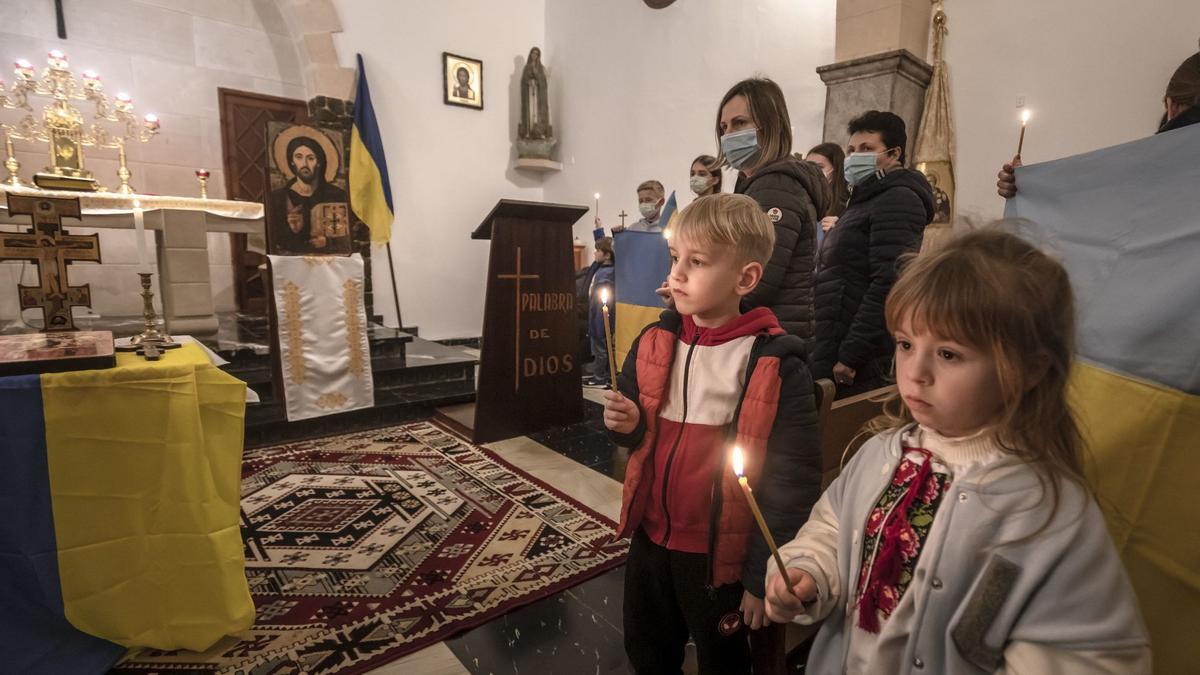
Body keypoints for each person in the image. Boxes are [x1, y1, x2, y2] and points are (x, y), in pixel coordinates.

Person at [764, 228, 1151, 674]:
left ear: (1027, 369)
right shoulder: (881, 455)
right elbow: (833, 529)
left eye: (948, 354)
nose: (915, 372)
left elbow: (1091, 654)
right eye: (907, 344)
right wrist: (809, 570)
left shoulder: (1046, 508)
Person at [604, 193, 820, 674]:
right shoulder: (654, 341)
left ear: (745, 278)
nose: (677, 273)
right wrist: (629, 425)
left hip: (717, 553)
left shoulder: (772, 364)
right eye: (675, 257)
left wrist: (762, 574)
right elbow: (637, 435)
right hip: (651, 536)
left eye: (696, 262)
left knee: (722, 659)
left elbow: (792, 483)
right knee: (647, 647)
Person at [811, 110, 933, 395]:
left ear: (894, 153)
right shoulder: (867, 198)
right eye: (851, 150)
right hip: (833, 335)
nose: (855, 157)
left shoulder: (899, 198)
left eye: (867, 149)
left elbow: (889, 282)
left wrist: (852, 354)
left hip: (854, 352)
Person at [718, 77, 830, 344]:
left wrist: (703, 299)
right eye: (724, 127)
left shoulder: (776, 187)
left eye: (740, 123)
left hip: (772, 337)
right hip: (765, 333)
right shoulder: (756, 185)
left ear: (769, 125)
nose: (728, 135)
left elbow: (760, 279)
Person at [998, 50, 1200, 198]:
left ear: (1171, 106)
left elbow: (1095, 205)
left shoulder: (1145, 169)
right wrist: (1028, 184)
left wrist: (1031, 187)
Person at [267, 133, 350, 255]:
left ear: (319, 162)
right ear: (292, 162)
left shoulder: (336, 195)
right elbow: (276, 242)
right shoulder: (278, 198)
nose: (304, 164)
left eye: (311, 158)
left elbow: (348, 238)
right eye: (299, 157)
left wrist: (328, 242)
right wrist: (294, 231)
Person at [805, 142, 851, 253]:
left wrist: (839, 231)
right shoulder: (802, 202)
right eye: (808, 167)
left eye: (819, 167)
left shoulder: (849, 206)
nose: (812, 172)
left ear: (836, 171)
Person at [584, 237, 615, 388]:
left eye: (597, 251)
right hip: (595, 314)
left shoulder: (607, 273)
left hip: (600, 316)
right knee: (597, 346)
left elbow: (602, 300)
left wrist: (597, 319)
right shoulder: (601, 269)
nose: (595, 253)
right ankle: (600, 373)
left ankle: (600, 376)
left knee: (601, 347)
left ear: (607, 255)